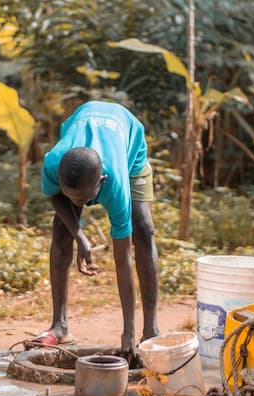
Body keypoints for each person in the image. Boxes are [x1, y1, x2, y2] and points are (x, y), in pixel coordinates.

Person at [31, 100, 160, 360]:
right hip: (81, 139)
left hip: (129, 145)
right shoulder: (54, 162)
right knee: (61, 231)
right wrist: (79, 234)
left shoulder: (117, 185)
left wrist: (128, 335)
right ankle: (60, 325)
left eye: (84, 199)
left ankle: (150, 330)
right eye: (73, 198)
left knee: (143, 229)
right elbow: (55, 196)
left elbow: (123, 261)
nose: (81, 205)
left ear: (102, 182)